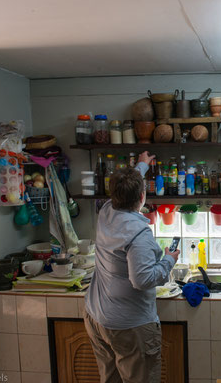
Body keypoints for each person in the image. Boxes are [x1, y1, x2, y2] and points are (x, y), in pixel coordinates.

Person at [84, 151, 180, 383]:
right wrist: (169, 260)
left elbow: (126, 188)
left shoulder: (106, 210)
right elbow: (142, 279)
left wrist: (141, 166)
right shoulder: (139, 234)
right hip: (129, 326)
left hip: (97, 318)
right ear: (142, 196)